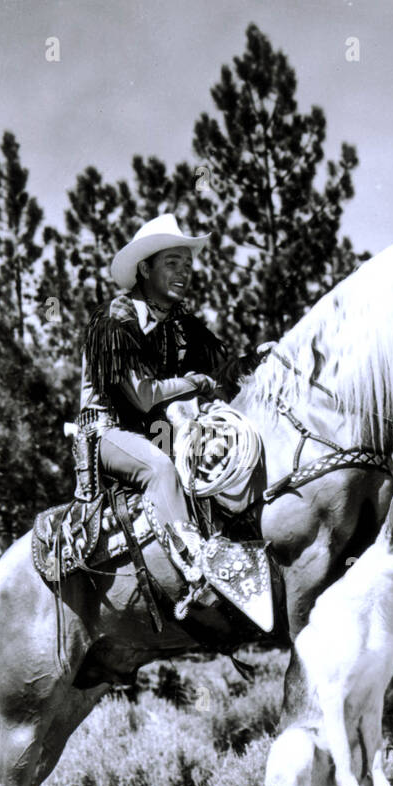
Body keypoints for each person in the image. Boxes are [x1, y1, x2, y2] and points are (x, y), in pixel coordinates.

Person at [78, 213, 232, 602]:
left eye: (187, 264)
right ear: (145, 268)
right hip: (106, 432)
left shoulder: (181, 325)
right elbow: (144, 395)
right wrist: (194, 382)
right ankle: (196, 570)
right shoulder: (113, 320)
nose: (183, 273)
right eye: (172, 263)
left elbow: (219, 369)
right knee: (159, 470)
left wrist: (254, 364)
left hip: (156, 432)